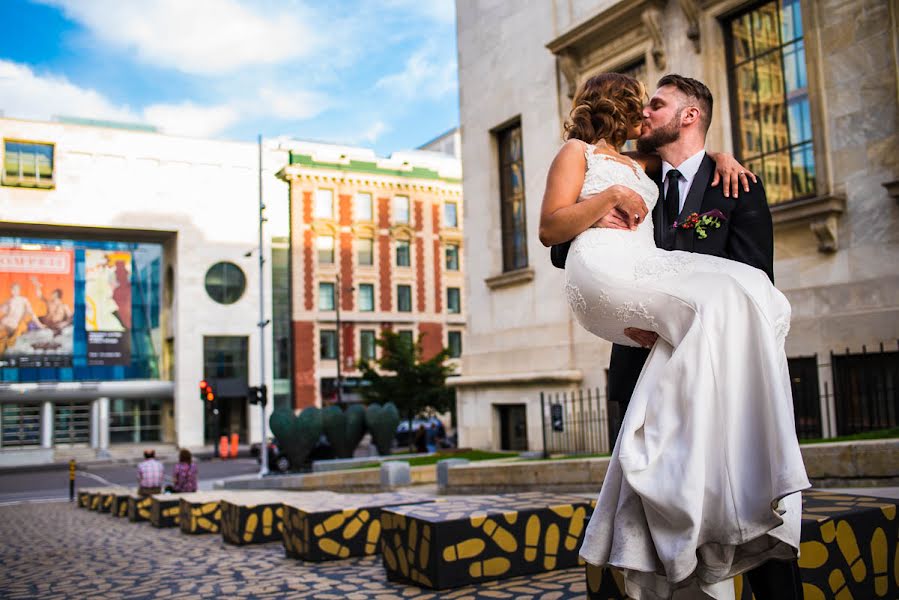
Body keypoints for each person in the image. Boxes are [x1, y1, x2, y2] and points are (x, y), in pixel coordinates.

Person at [539, 73, 809, 599]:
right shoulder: (643, 173)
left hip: (722, 374)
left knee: (743, 498)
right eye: (640, 105)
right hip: (638, 361)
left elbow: (756, 278)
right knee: (642, 505)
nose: (643, 113)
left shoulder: (736, 185)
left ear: (689, 116)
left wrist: (721, 158)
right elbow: (559, 242)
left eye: (655, 105)